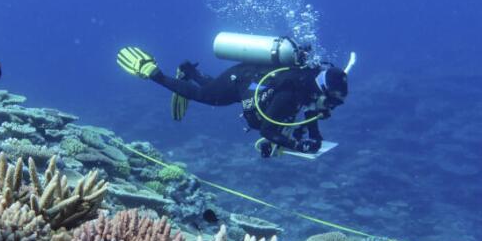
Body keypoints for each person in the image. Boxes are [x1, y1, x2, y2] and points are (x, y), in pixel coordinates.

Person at [116, 45, 348, 157]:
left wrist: (314, 137)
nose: (332, 107)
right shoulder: (290, 95)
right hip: (242, 79)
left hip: (251, 81)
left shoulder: (307, 89)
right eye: (333, 102)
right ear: (322, 90)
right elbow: (267, 129)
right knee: (208, 97)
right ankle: (155, 74)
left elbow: (308, 113)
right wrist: (298, 145)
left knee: (213, 90)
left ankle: (189, 71)